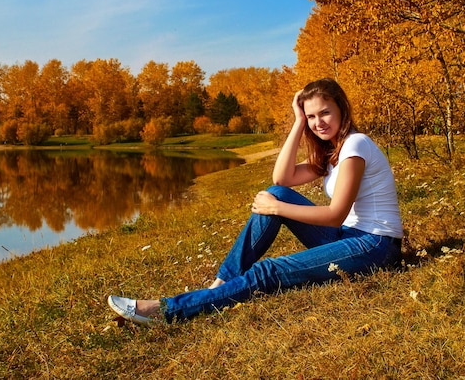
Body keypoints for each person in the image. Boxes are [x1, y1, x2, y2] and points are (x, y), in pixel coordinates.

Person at [108, 78, 404, 325]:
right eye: (311, 116)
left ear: (342, 108)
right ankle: (221, 285)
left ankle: (167, 311)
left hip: (375, 246)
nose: (318, 122)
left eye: (324, 113)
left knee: (268, 271)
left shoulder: (356, 144)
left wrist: (276, 209)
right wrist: (298, 122)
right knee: (275, 193)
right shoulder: (331, 152)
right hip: (349, 238)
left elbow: (335, 215)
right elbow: (282, 178)